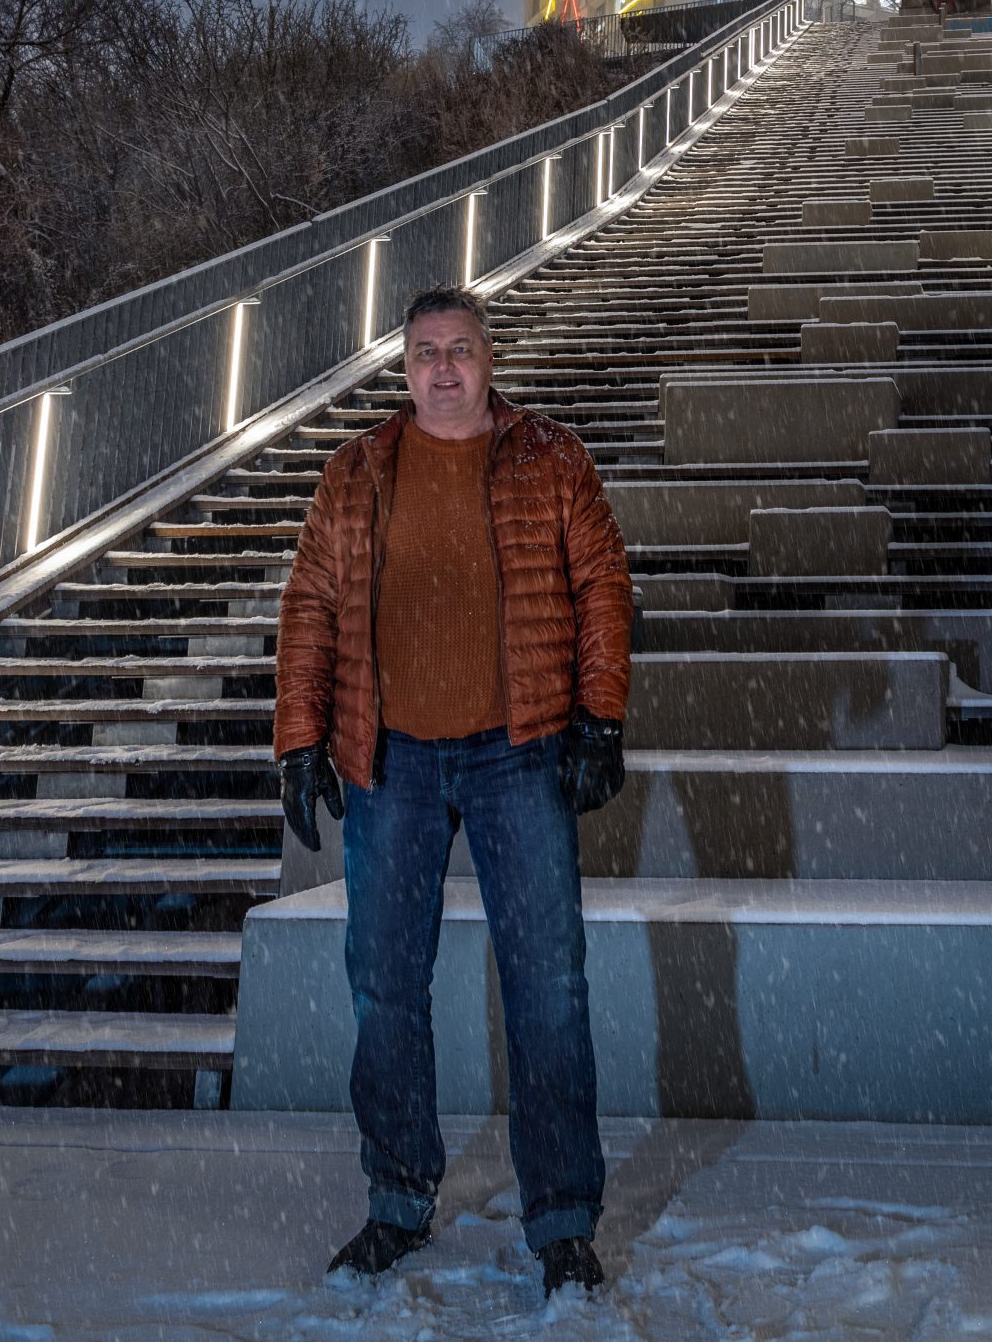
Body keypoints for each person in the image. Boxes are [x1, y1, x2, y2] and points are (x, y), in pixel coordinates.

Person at [272, 284, 633, 1297]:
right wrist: (300, 733)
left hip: (518, 750)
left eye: (459, 349)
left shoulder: (548, 457)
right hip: (392, 761)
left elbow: (602, 581)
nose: (441, 367)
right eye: (424, 351)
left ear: (488, 359)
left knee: (548, 987)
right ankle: (395, 1200)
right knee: (385, 987)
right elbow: (311, 600)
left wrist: (599, 714)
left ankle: (561, 1218)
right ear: (403, 367)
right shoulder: (358, 473)